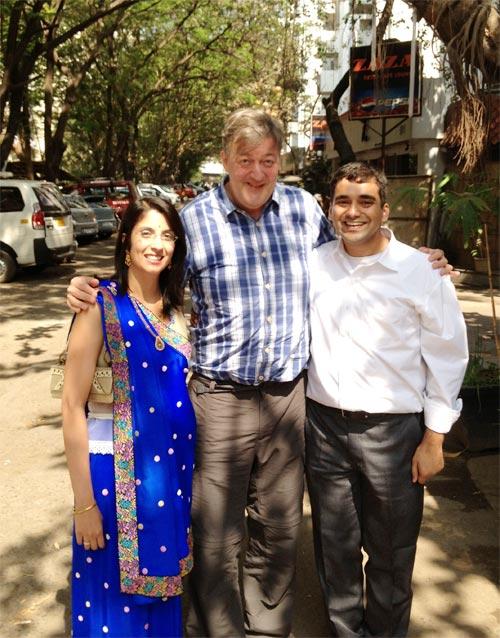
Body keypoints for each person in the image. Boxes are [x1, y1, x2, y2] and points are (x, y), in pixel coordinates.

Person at [65, 108, 451, 638]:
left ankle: (267, 628)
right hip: (219, 397)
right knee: (217, 533)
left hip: (290, 398)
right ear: (225, 160)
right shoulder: (193, 221)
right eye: (245, 160)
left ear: (279, 163)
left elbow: (354, 253)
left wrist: (421, 261)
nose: (256, 173)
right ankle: (221, 630)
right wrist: (90, 286)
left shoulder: (302, 211)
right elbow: (149, 278)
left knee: (279, 527)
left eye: (267, 161)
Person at [305, 162, 469, 638]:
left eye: (365, 201)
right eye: (342, 201)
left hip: (395, 433)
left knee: (392, 554)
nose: (352, 212)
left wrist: (434, 438)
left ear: (385, 209)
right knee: (334, 549)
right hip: (325, 429)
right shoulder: (315, 265)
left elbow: (447, 356)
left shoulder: (420, 270)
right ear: (329, 207)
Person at [62, 197, 196, 638]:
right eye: (147, 233)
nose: (157, 245)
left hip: (167, 484)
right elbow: (71, 407)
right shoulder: (100, 306)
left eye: (167, 236)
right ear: (126, 244)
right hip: (112, 485)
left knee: (160, 607)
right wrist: (84, 505)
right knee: (112, 614)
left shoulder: (178, 314)